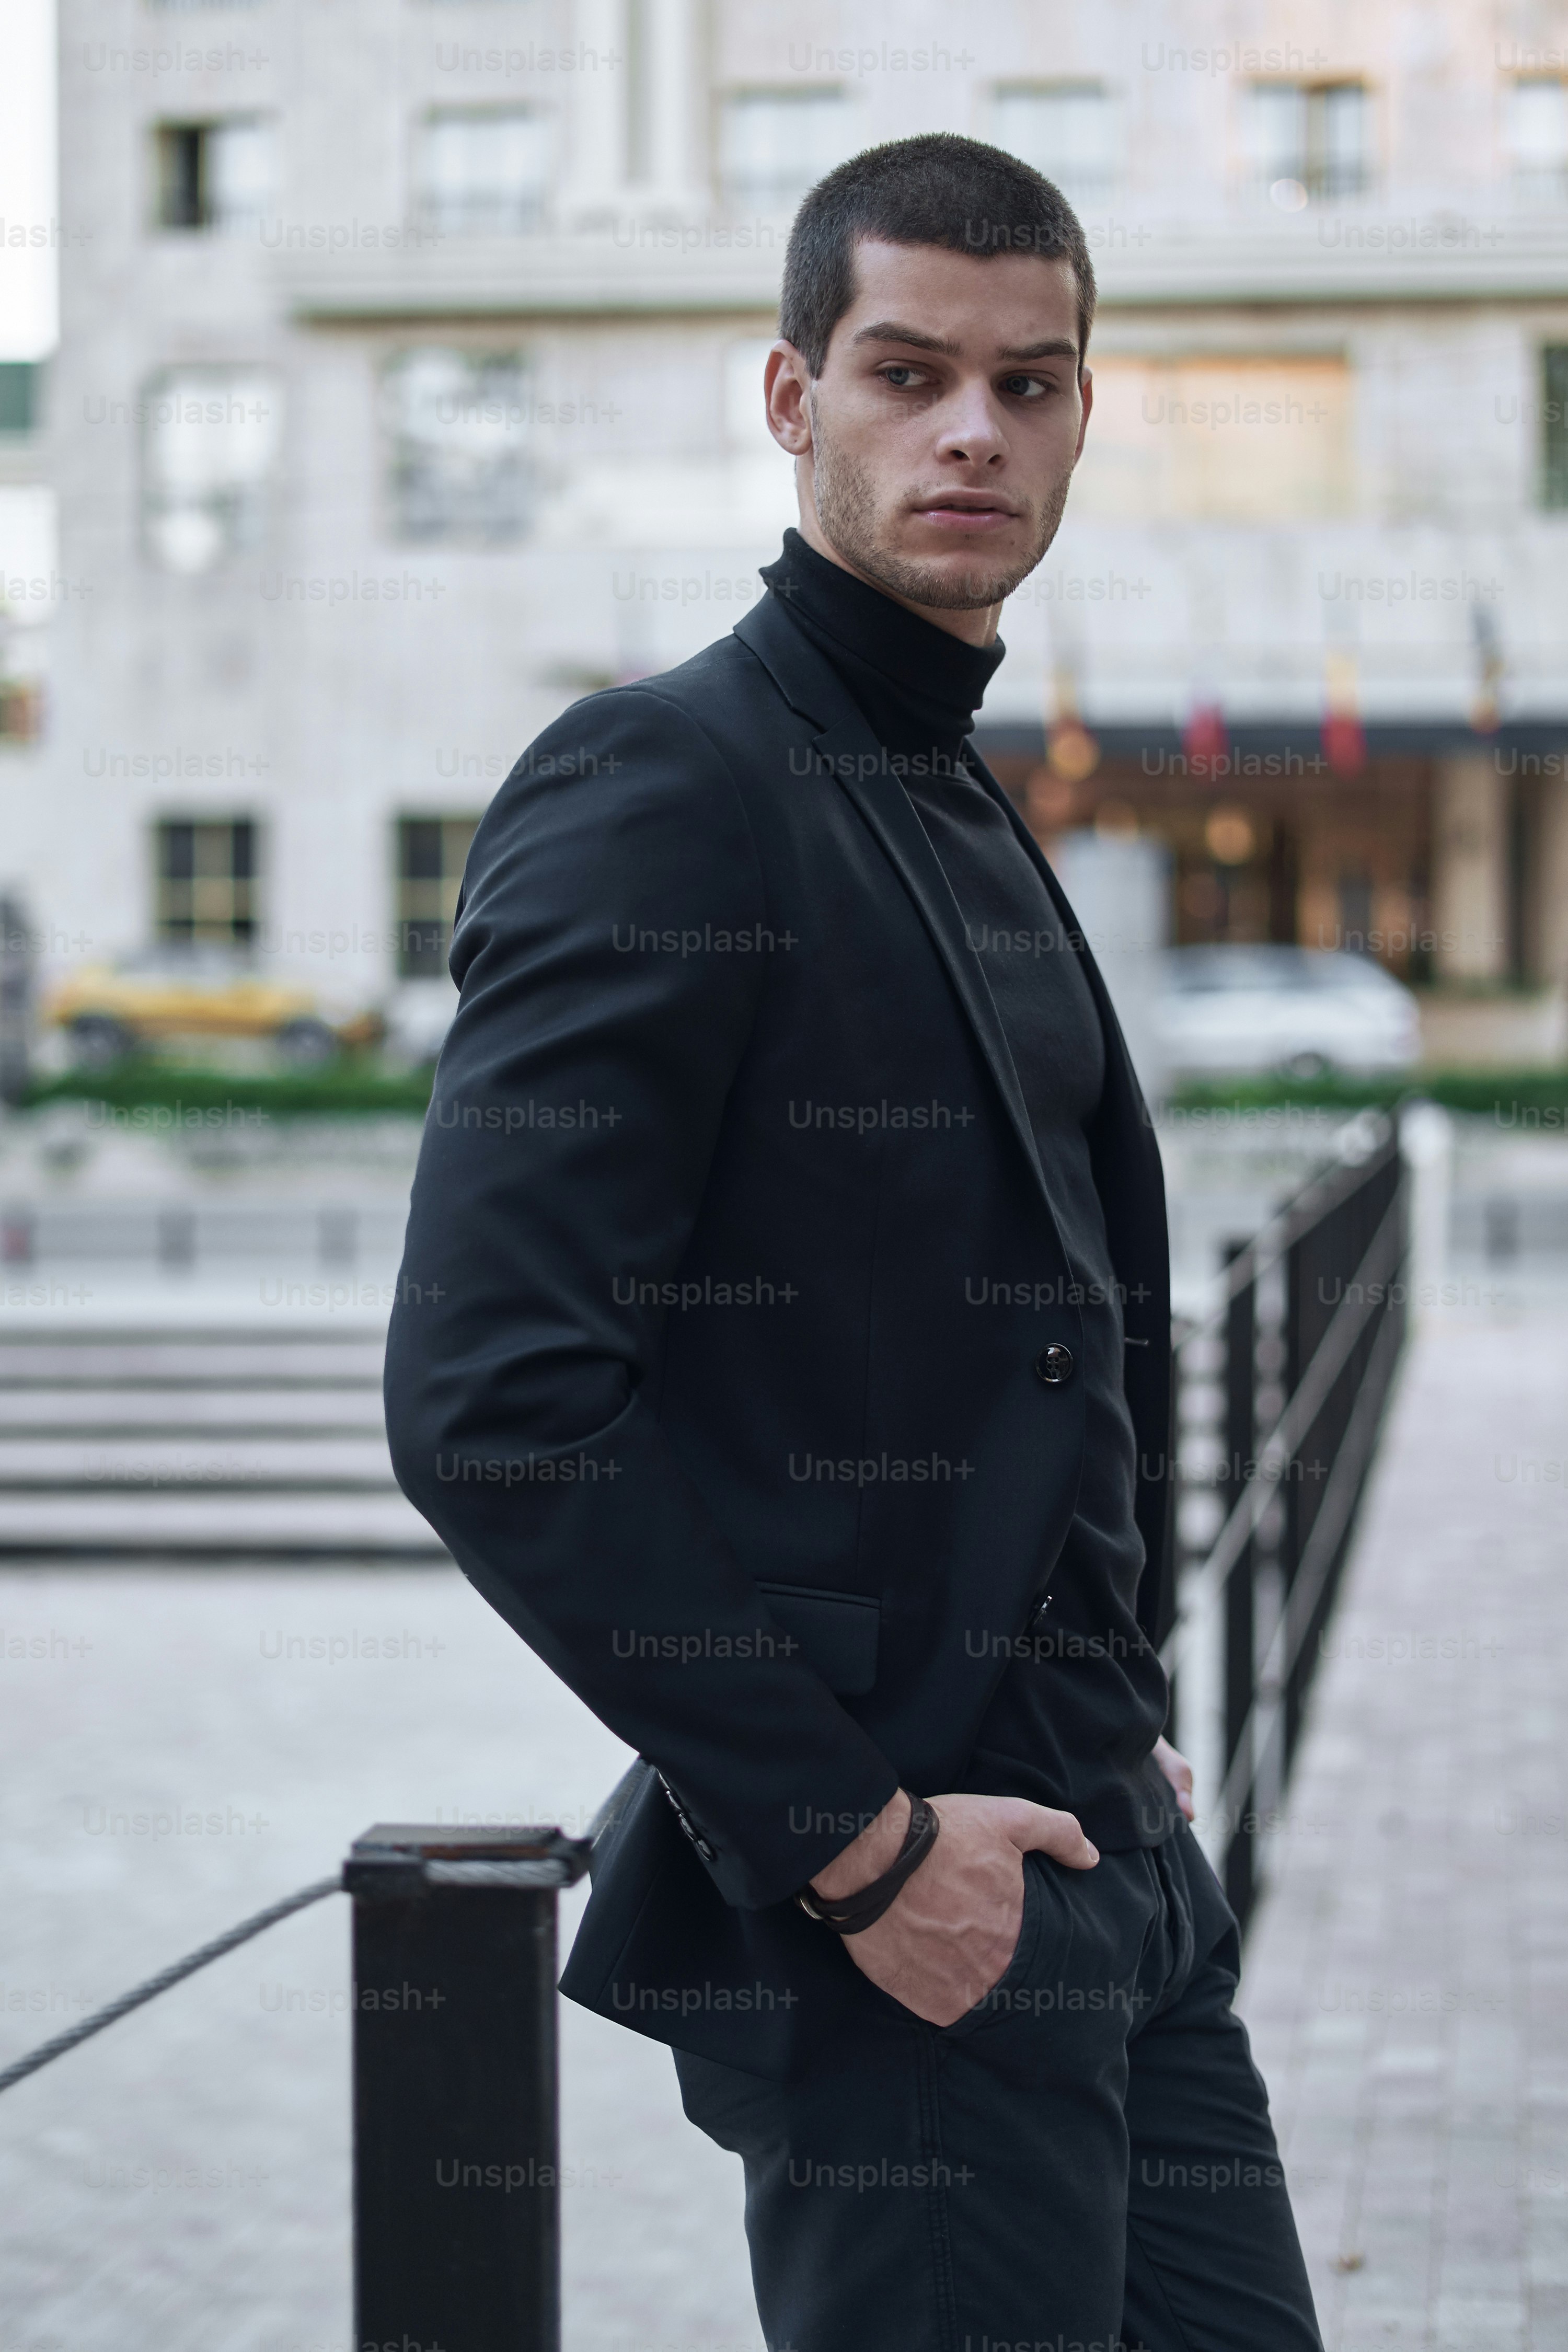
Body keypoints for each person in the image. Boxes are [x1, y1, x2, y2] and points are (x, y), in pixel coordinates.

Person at [384, 131, 1321, 2352]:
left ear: (1089, 408)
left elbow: (1058, 1312)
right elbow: (491, 1396)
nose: (975, 429)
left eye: (1032, 380)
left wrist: (1123, 1690)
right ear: (792, 397)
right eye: (909, 373)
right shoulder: (661, 785)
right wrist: (862, 1850)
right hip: (914, 1911)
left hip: (1115, 1853)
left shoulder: (972, 790)